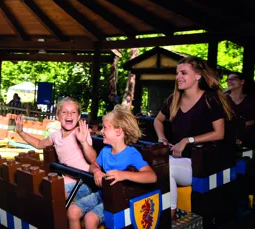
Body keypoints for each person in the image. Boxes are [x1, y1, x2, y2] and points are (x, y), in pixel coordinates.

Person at [153, 56, 232, 219]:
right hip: (177, 159)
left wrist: (187, 140)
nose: (178, 77)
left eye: (183, 73)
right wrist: (161, 138)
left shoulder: (210, 99)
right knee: (156, 166)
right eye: (177, 73)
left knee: (167, 169)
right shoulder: (173, 99)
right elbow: (158, 120)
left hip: (203, 162)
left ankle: (171, 216)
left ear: (198, 76)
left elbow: (219, 133)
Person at [68, 105, 157, 229]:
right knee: (72, 211)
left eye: (105, 128)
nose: (101, 131)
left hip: (119, 199)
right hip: (103, 193)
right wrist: (97, 171)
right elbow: (93, 165)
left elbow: (152, 177)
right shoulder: (105, 151)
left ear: (118, 131)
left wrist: (124, 175)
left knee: (90, 218)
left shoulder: (131, 154)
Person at [15, 97, 97, 199]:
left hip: (84, 182)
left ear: (79, 116)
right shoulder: (55, 135)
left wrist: (84, 142)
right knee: (37, 187)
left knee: (53, 193)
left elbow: (93, 159)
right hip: (65, 180)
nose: (69, 115)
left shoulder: (81, 133)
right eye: (64, 112)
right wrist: (21, 132)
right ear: (57, 116)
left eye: (73, 112)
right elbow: (39, 143)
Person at [225, 73, 254, 147]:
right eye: (228, 80)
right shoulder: (223, 98)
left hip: (248, 138)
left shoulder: (251, 99)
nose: (229, 81)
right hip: (227, 138)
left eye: (233, 79)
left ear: (242, 81)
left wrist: (246, 123)